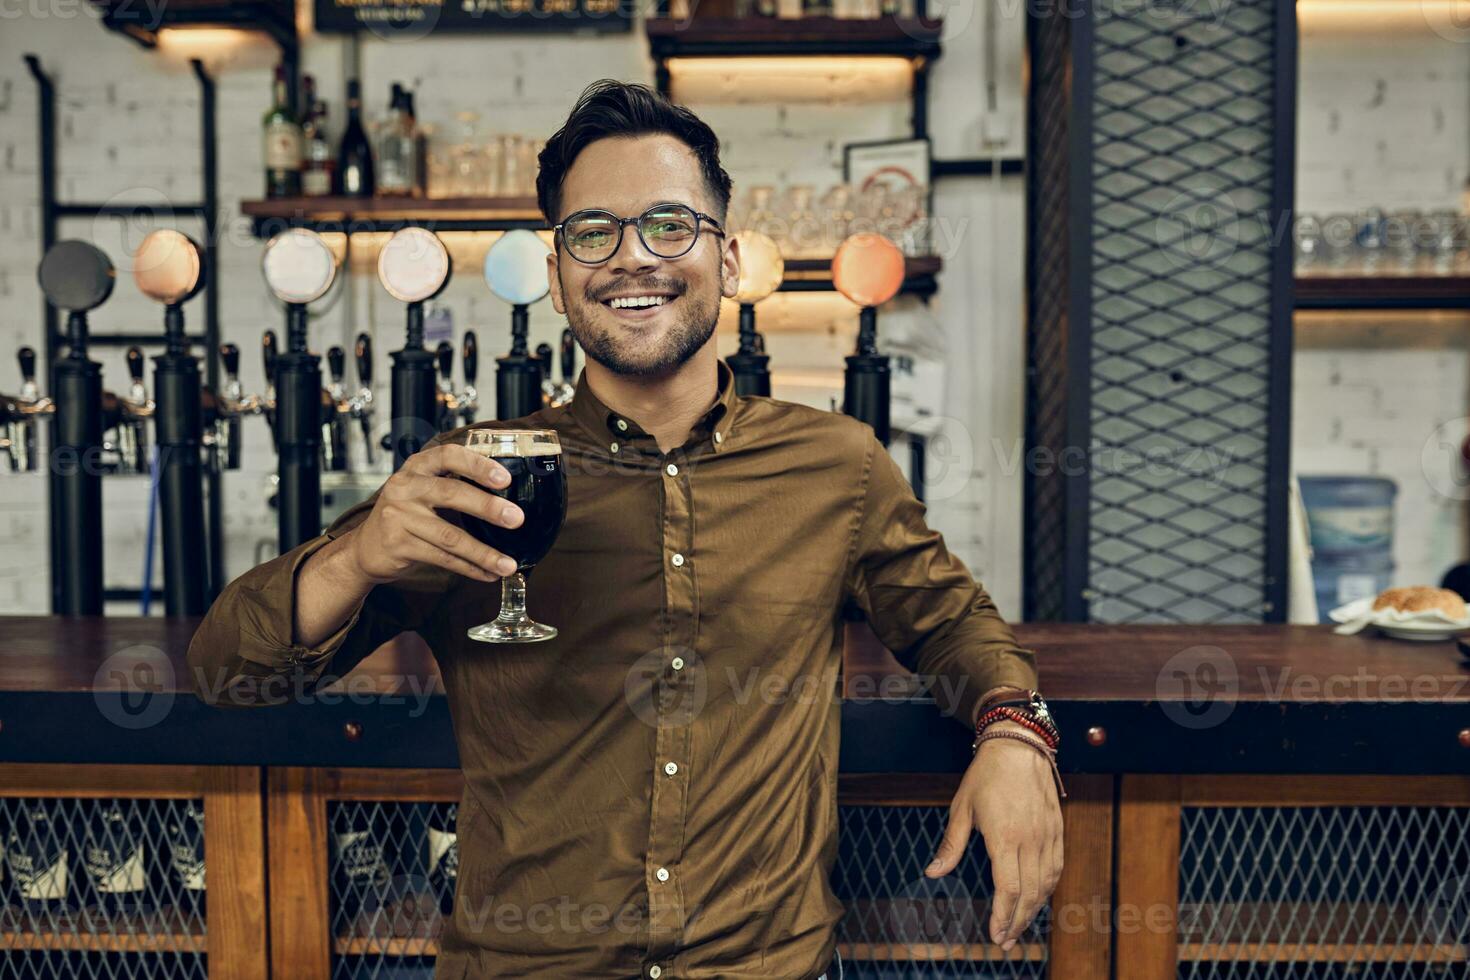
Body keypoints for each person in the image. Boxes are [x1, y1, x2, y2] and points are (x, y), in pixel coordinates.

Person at [189, 79, 1063, 979]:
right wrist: (358, 557)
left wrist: (1013, 733)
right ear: (559, 280)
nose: (632, 258)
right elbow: (225, 677)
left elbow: (953, 623)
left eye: (670, 225)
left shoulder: (837, 466)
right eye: (593, 233)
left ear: (727, 262)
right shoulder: (470, 477)